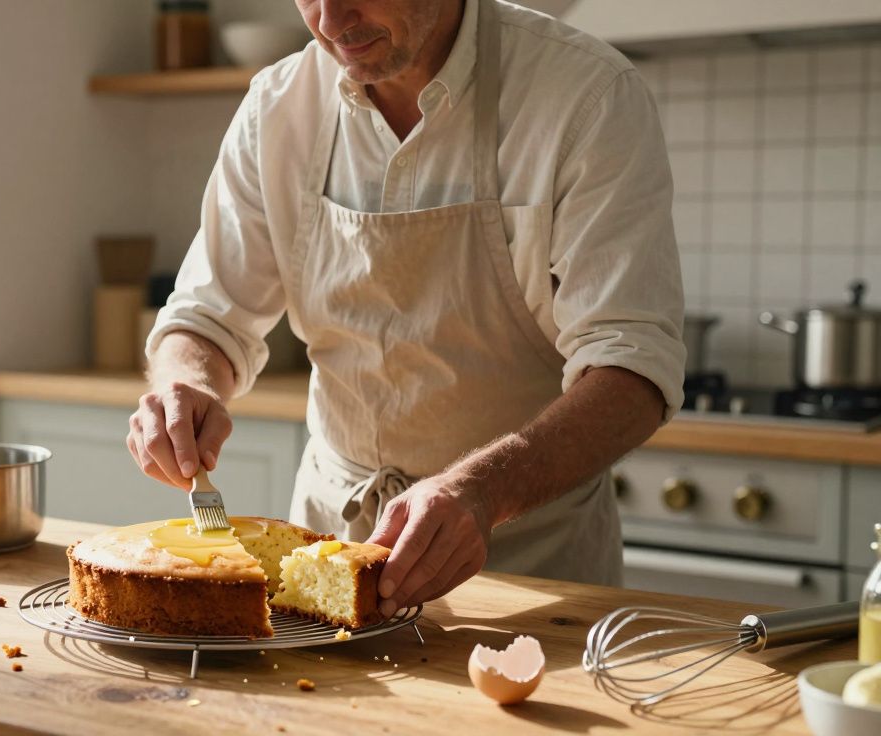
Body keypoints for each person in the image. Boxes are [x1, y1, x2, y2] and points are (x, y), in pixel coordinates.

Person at [127, 0, 684, 618]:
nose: (330, 19)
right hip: (329, 554)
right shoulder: (277, 107)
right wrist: (185, 384)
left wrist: (481, 491)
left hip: (532, 568)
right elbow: (208, 318)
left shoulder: (585, 95)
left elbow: (632, 371)